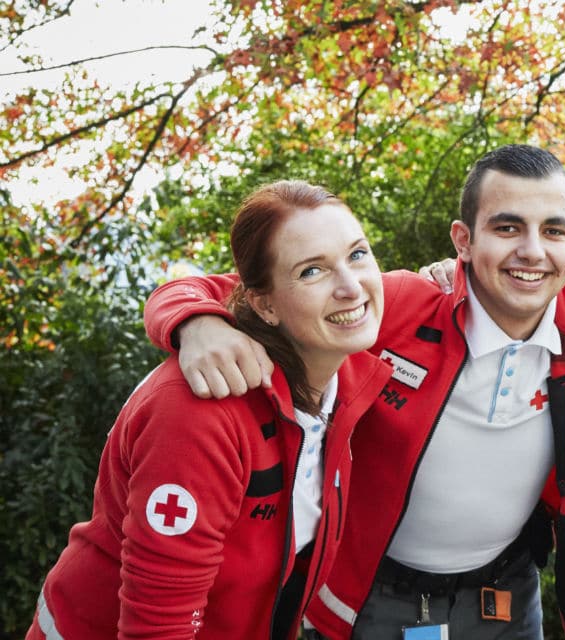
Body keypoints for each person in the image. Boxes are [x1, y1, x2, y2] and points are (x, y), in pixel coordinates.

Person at [140, 146, 565, 639]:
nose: (532, 252)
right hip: (374, 596)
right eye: (507, 227)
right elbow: (233, 289)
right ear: (463, 240)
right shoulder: (396, 310)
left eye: (552, 231)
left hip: (507, 595)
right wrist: (195, 323)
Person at [28, 181, 392, 639]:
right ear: (264, 305)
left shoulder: (352, 333)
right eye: (311, 271)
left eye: (357, 254)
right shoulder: (199, 411)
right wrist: (194, 320)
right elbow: (158, 629)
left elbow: (472, 294)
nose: (349, 286)